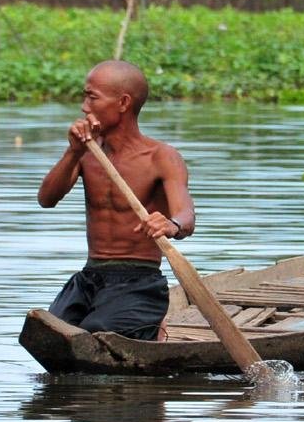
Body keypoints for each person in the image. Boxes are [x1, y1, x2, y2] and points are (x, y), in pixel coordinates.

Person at [37, 60, 195, 339]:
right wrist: (72, 153)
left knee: (98, 336)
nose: (84, 107)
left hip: (139, 281)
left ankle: (153, 327)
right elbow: (46, 199)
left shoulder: (161, 156)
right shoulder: (86, 152)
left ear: (123, 103)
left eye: (92, 97)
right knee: (49, 335)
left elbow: (186, 216)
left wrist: (171, 224)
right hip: (90, 276)